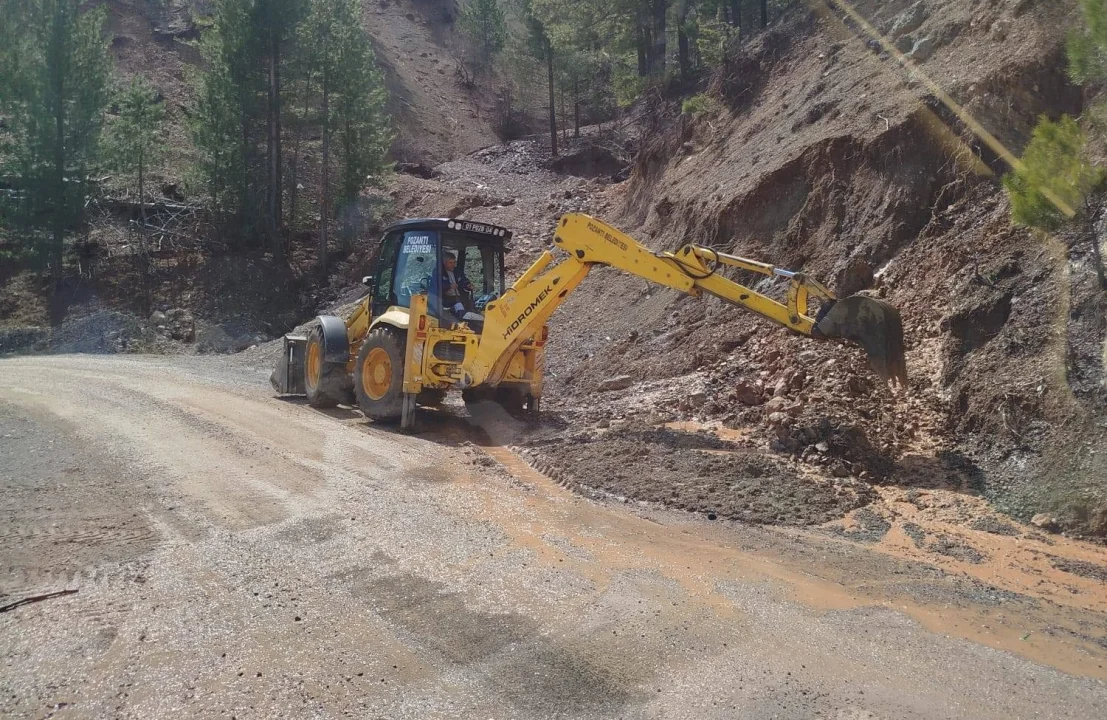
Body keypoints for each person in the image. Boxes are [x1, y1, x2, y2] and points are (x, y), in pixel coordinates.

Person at [441, 248, 474, 322]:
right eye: (451, 263)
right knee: (459, 306)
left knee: (472, 304)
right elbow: (438, 285)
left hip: (459, 296)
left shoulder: (457, 271)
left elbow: (463, 280)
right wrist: (449, 286)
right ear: (444, 262)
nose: (453, 265)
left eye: (454, 262)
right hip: (446, 299)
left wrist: (468, 285)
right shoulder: (439, 272)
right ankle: (463, 321)